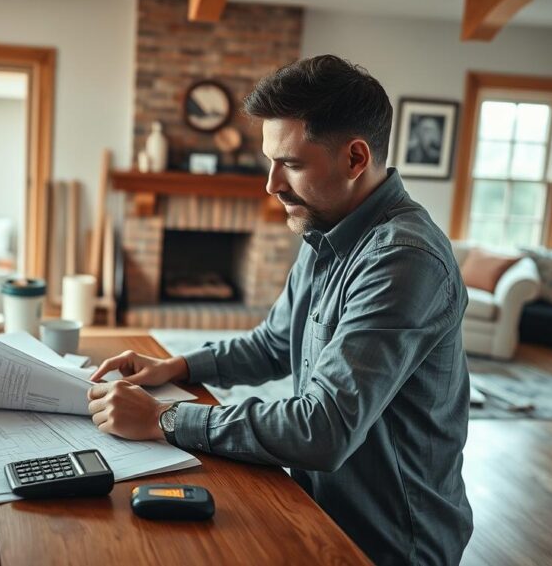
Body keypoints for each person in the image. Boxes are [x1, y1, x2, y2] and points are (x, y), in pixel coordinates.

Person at [87, 54, 473, 566]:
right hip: (319, 511)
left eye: (290, 163)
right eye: (270, 161)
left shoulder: (404, 259)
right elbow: (273, 343)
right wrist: (177, 366)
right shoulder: (325, 226)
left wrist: (165, 418)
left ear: (356, 159)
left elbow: (322, 428)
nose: (270, 184)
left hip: (391, 543)